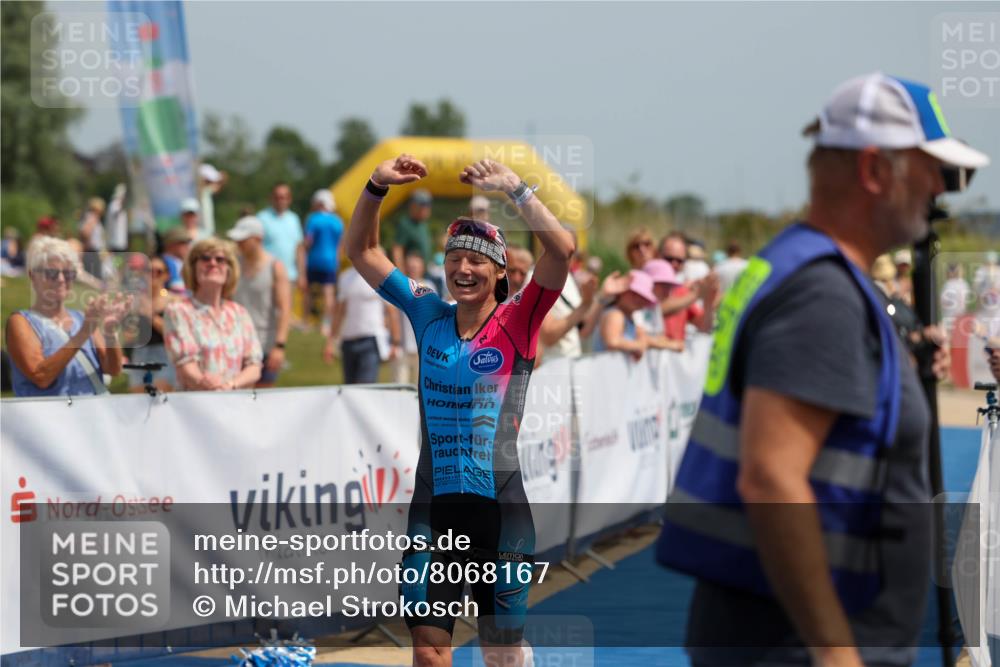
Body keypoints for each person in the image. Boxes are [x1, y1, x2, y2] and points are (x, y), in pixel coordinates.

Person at [657, 72, 985, 666]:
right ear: (874, 169)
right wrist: (836, 654)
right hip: (794, 644)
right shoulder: (822, 293)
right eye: (931, 168)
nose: (941, 188)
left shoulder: (802, 267)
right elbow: (771, 478)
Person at [347, 154, 573, 667]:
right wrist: (376, 185)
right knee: (429, 652)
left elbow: (561, 249)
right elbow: (361, 250)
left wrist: (515, 189)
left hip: (500, 513)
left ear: (499, 272)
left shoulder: (519, 320)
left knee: (500, 655)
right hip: (434, 510)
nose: (463, 269)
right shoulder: (426, 311)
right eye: (454, 258)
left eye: (476, 261)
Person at [6, 236, 129, 397]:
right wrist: (83, 333)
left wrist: (110, 333)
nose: (61, 279)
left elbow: (113, 369)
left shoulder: (81, 318)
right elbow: (41, 377)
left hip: (92, 411)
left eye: (68, 273)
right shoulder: (21, 322)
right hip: (47, 413)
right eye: (52, 273)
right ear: (33, 276)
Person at [163, 238, 263, 391]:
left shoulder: (239, 313)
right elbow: (185, 364)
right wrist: (206, 383)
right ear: (192, 268)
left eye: (220, 259)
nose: (213, 263)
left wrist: (231, 385)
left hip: (236, 399)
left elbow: (254, 366)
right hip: (196, 401)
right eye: (205, 258)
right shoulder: (178, 311)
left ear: (229, 269)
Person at [229, 216, 291, 388]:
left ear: (257, 239)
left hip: (266, 343)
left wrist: (279, 346)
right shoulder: (233, 265)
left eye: (243, 239)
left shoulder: (275, 267)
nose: (239, 243)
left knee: (264, 396)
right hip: (237, 344)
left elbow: (284, 309)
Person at [323, 259, 400, 384]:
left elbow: (391, 311)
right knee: (350, 389)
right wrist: (330, 341)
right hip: (348, 341)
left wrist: (395, 342)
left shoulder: (379, 276)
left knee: (365, 387)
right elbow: (340, 312)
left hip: (371, 340)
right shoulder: (345, 277)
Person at [124, 255, 178, 393]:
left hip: (164, 354)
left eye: (158, 271)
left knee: (160, 396)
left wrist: (150, 315)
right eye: (149, 270)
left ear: (166, 275)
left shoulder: (173, 300)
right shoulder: (137, 300)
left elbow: (173, 333)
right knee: (138, 400)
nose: (153, 275)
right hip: (140, 354)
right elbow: (128, 337)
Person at [259, 182, 306, 321]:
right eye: (278, 196)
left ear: (289, 199)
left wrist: (302, 274)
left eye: (284, 197)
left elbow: (299, 248)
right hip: (268, 275)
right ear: (271, 198)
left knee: (285, 314)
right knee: (267, 315)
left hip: (289, 275)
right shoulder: (261, 218)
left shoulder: (294, 219)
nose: (281, 200)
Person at [392, 251, 438, 384]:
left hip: (423, 347)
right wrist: (394, 342)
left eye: (416, 266)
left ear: (422, 267)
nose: (413, 269)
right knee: (400, 385)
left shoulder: (429, 286)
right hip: (403, 346)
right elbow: (393, 314)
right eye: (411, 266)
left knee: (421, 385)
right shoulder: (401, 286)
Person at [304, 189, 344, 334]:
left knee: (308, 291)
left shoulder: (313, 219)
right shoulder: (337, 221)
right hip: (331, 261)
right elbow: (340, 244)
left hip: (314, 260)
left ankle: (306, 322)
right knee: (329, 292)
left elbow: (308, 241)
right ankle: (326, 324)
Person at [592, 270, 657, 358]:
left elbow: (643, 338)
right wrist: (638, 346)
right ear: (622, 291)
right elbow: (613, 342)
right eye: (634, 294)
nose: (639, 299)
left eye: (644, 297)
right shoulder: (615, 314)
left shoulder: (630, 319)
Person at [639, 259, 686, 352]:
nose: (667, 291)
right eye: (664, 285)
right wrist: (672, 345)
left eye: (669, 287)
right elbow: (639, 337)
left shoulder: (655, 307)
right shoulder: (637, 307)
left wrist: (672, 343)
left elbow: (659, 335)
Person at [392, 188, 434, 268]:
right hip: (411, 272)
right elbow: (397, 249)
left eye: (428, 206)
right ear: (412, 206)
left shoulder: (423, 224)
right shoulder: (406, 224)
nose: (426, 209)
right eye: (422, 206)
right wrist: (401, 273)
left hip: (423, 272)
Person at [78, 197, 106, 280]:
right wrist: (88, 244)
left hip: (92, 250)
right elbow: (85, 232)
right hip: (91, 250)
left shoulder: (88, 217)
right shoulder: (92, 218)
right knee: (95, 277)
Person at [161, 227, 193, 293]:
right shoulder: (163, 263)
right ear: (170, 244)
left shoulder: (182, 262)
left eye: (188, 243)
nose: (187, 246)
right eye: (183, 242)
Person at [199, 163, 226, 237]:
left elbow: (217, 187)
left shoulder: (206, 191)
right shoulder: (203, 192)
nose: (213, 183)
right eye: (210, 181)